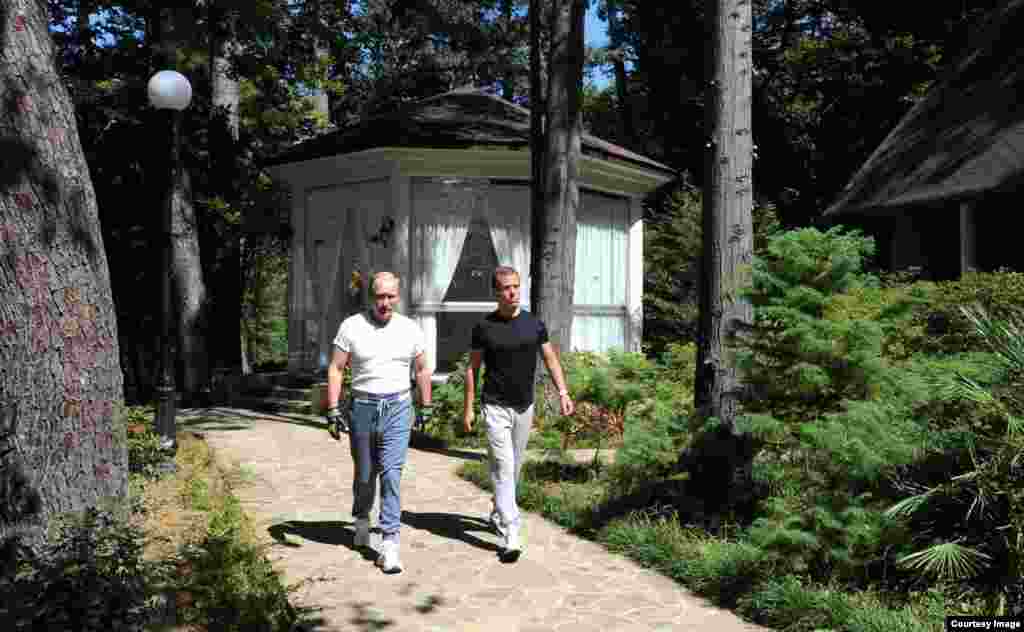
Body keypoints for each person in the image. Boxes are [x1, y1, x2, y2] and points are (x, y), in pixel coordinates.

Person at [462, 266, 574, 562]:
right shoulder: (484, 327)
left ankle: (499, 510)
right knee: (502, 466)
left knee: (514, 468)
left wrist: (563, 392)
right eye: (505, 288)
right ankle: (511, 532)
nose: (512, 293)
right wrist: (469, 406)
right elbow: (472, 369)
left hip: (524, 406)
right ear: (496, 292)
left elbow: (550, 359)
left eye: (515, 287)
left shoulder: (534, 324)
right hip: (495, 406)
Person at [324, 271, 432, 574]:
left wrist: (426, 406)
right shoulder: (352, 326)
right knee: (365, 475)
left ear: (398, 296)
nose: (385, 302)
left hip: (398, 406)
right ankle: (361, 518)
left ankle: (390, 544)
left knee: (391, 474)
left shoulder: (410, 329)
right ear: (371, 297)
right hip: (362, 407)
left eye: (390, 296)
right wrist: (332, 409)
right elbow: (336, 368)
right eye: (379, 296)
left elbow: (422, 369)